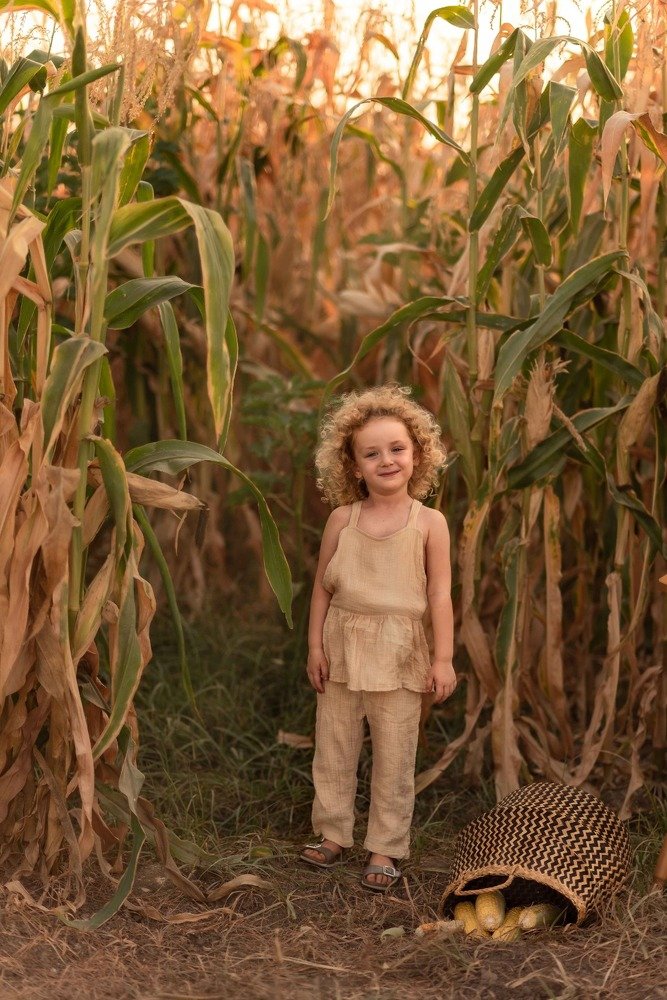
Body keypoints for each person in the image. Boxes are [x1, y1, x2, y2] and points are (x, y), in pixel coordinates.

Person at [300, 384, 456, 892]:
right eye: (372, 453)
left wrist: (444, 659)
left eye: (397, 449)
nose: (386, 460)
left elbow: (439, 597)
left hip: (400, 652)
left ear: (418, 455)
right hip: (343, 647)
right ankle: (332, 832)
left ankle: (385, 847)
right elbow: (322, 591)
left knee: (394, 753)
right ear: (353, 465)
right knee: (335, 745)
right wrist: (315, 647)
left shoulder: (429, 523)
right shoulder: (342, 520)